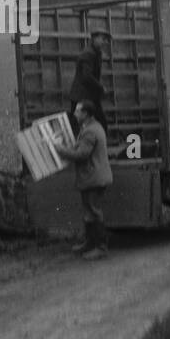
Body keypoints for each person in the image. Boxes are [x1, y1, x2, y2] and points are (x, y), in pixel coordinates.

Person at [54, 99, 113, 260]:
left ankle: (101, 247)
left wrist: (60, 150)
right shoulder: (91, 127)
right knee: (89, 211)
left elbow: (81, 155)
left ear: (86, 114)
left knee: (94, 211)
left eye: (78, 111)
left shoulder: (90, 131)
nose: (75, 113)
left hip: (94, 177)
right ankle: (90, 243)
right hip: (91, 177)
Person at [67, 29, 111, 133]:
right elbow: (87, 76)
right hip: (82, 95)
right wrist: (101, 88)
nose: (105, 42)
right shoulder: (89, 53)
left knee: (77, 123)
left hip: (87, 95)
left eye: (106, 40)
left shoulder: (95, 52)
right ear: (94, 38)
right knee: (78, 123)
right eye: (103, 39)